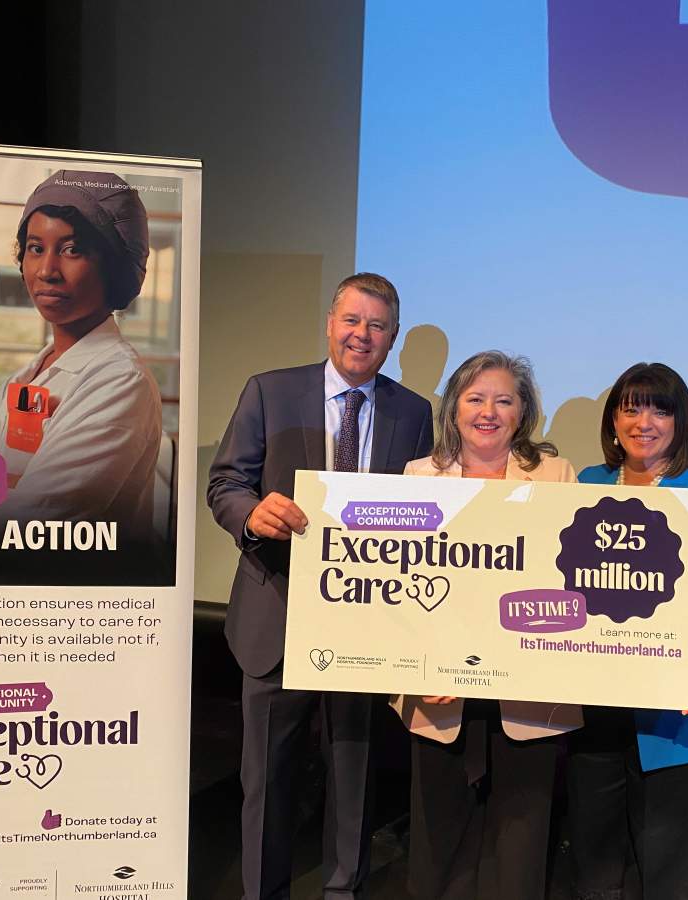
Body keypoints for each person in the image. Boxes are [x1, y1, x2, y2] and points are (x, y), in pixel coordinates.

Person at [207, 273, 433, 900]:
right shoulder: (269, 391)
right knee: (268, 780)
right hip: (274, 612)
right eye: (352, 321)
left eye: (378, 326)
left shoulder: (414, 413)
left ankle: (343, 892)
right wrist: (251, 516)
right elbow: (225, 484)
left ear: (393, 338)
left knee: (354, 777)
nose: (362, 335)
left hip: (364, 623)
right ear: (330, 322)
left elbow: (428, 512)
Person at [392, 350, 584, 900]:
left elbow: (569, 581)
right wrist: (414, 668)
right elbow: (395, 589)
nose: (489, 412)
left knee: (520, 844)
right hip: (437, 687)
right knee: (439, 841)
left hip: (528, 693)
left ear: (522, 412)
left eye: (504, 400)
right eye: (476, 399)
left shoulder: (556, 474)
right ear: (454, 409)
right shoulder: (418, 475)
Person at [566, 362, 688, 900]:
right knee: (595, 856)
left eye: (660, 409)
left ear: (680, 421)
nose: (644, 421)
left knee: (672, 864)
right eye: (631, 407)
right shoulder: (585, 485)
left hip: (678, 714)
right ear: (613, 419)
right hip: (595, 703)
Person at [0, 170, 161, 545]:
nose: (46, 271)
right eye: (35, 248)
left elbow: (28, 526)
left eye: (72, 249)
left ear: (114, 265)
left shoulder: (121, 383)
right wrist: (12, 483)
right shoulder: (26, 376)